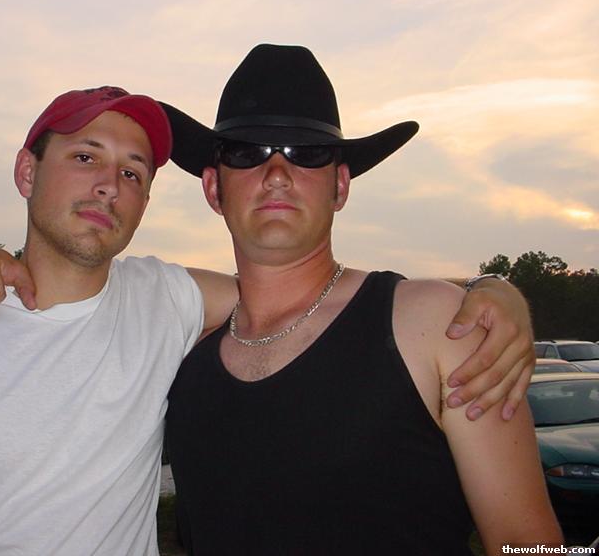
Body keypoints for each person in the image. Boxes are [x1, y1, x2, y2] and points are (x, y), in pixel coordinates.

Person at [162, 44, 561, 554]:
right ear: (213, 189)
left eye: (308, 153)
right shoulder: (182, 341)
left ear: (341, 186)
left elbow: (527, 543)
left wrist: (495, 284)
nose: (277, 173)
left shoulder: (439, 325)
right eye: (246, 152)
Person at [0, 86, 237, 555]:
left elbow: (291, 293)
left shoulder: (164, 299)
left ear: (144, 206)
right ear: (27, 172)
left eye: (131, 173)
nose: (110, 186)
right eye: (86, 158)